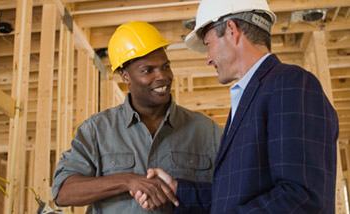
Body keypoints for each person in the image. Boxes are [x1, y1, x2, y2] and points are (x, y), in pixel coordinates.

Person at [134, 0, 339, 213]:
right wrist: (177, 190)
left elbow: (301, 197)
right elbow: (231, 198)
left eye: (208, 44)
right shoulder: (251, 97)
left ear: (232, 30)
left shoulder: (291, 84)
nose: (208, 59)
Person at [51, 21, 223, 214]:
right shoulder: (97, 130)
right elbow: (63, 192)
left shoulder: (207, 131)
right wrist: (127, 181)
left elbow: (234, 193)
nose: (162, 76)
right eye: (148, 70)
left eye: (165, 67)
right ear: (125, 77)